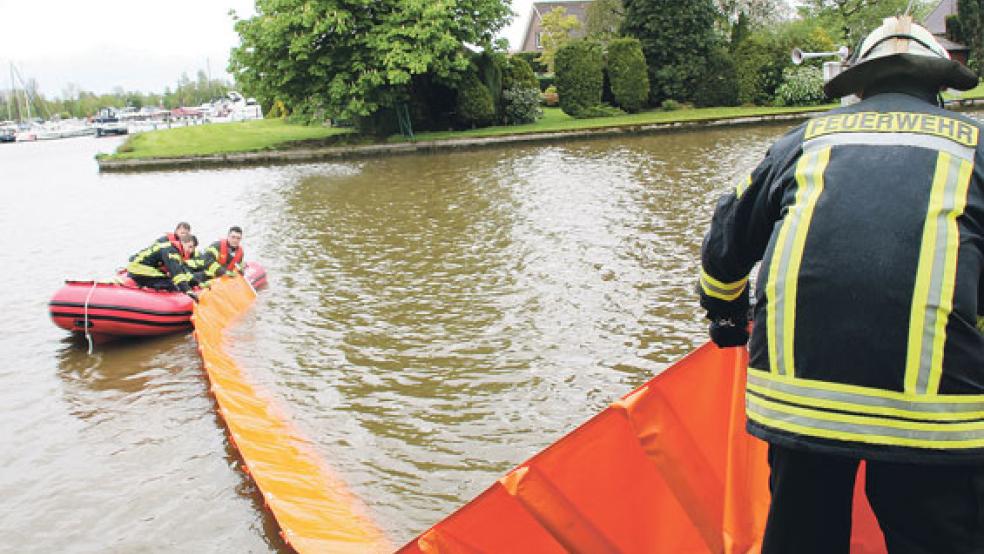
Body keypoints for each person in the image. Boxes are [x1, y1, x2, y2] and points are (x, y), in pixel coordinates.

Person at [698, 16, 982, 554]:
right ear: (940, 88)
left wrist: (727, 316)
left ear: (858, 87)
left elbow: (725, 241)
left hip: (796, 404)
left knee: (801, 537)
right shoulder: (976, 149)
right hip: (935, 417)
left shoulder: (802, 143)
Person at [126, 226, 198, 300]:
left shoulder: (174, 248)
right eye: (190, 247)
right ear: (182, 242)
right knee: (171, 285)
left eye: (193, 248)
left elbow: (181, 270)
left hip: (142, 267)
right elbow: (176, 272)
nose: (191, 250)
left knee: (172, 279)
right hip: (139, 269)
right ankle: (148, 291)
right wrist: (187, 290)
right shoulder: (172, 251)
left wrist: (194, 282)